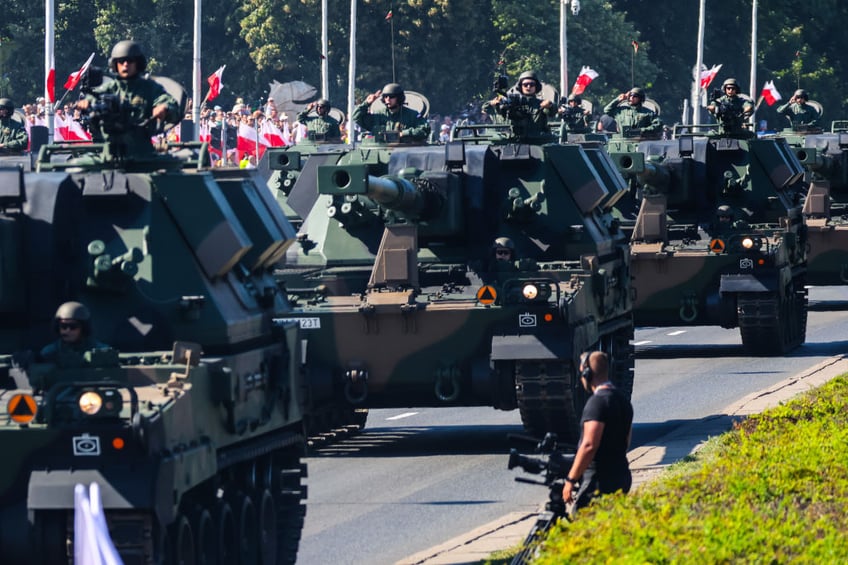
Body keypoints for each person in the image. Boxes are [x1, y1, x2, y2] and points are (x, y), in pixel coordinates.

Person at [76, 40, 180, 156]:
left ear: (138, 63)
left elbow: (168, 102)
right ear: (114, 64)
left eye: (130, 61)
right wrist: (86, 103)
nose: (125, 64)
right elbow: (93, 98)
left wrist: (164, 108)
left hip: (143, 154)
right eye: (121, 61)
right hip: (108, 154)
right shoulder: (111, 88)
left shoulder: (149, 88)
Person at [562, 350, 634, 511]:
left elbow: (589, 445)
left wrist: (571, 479)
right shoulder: (622, 400)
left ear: (588, 374)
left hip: (599, 481)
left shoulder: (597, 403)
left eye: (582, 374)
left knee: (581, 521)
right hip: (621, 474)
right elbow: (627, 439)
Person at [486, 70, 556, 140]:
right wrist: (493, 104)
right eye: (525, 84)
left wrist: (549, 105)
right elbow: (486, 108)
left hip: (537, 140)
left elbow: (552, 112)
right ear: (520, 86)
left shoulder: (540, 104)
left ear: (536, 86)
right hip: (514, 141)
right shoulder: (512, 101)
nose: (528, 87)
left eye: (532, 84)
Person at [352, 83, 430, 142]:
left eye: (391, 96)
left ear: (399, 98)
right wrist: (366, 103)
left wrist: (404, 133)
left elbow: (424, 130)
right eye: (386, 96)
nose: (388, 99)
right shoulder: (379, 116)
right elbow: (356, 117)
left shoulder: (411, 115)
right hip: (382, 153)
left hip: (405, 153)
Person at [39, 301, 109, 365]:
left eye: (73, 326)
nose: (67, 330)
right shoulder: (49, 353)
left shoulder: (101, 351)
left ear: (83, 328)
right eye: (64, 326)